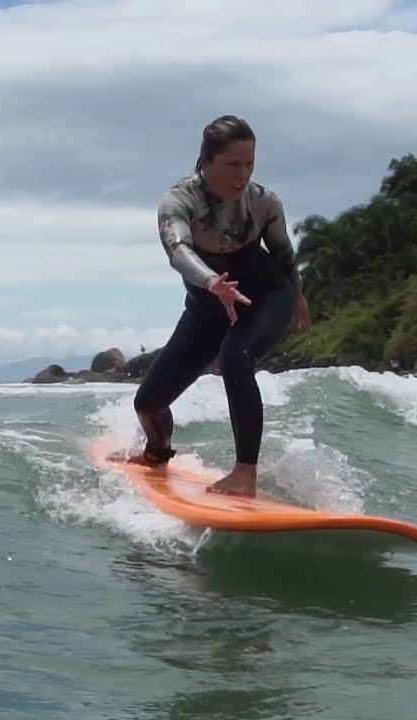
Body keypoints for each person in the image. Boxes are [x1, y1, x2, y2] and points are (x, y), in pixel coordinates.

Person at [115, 115, 311, 498]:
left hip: (264, 296)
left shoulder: (263, 202)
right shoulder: (179, 202)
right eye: (233, 165)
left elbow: (284, 255)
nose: (243, 175)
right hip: (207, 307)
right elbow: (178, 249)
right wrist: (212, 284)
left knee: (235, 357)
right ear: (205, 160)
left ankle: (244, 474)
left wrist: (298, 297)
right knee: (148, 403)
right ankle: (157, 454)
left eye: (250, 164)